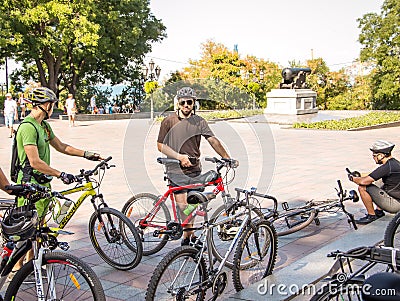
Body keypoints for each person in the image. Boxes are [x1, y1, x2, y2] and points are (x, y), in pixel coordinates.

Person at [14, 87, 102, 270]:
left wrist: (87, 154)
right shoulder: (28, 128)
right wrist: (60, 174)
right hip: (30, 185)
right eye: (52, 105)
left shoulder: (44, 126)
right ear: (45, 105)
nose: (53, 108)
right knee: (27, 232)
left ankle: (32, 267)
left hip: (43, 184)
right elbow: (35, 162)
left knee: (39, 229)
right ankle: (16, 271)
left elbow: (62, 146)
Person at [157, 86, 238, 246]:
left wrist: (227, 158)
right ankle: (188, 237)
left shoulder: (199, 121)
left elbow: (212, 140)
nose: (186, 105)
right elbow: (160, 145)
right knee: (184, 208)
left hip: (194, 169)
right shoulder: (169, 121)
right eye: (183, 102)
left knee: (193, 204)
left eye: (190, 102)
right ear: (178, 104)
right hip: (175, 169)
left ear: (194, 103)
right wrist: (179, 157)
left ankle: (189, 237)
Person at [349, 140, 400, 224]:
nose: (373, 158)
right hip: (397, 199)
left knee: (362, 187)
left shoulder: (387, 167)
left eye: (374, 155)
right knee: (379, 181)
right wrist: (359, 174)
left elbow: (364, 182)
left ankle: (371, 216)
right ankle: (379, 212)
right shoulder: (393, 164)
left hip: (395, 205)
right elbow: (373, 174)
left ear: (381, 156)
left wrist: (352, 178)